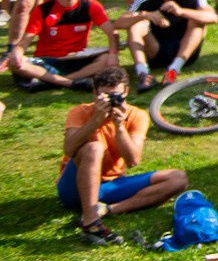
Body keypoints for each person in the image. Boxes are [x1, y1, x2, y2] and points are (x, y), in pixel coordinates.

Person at [57, 65, 188, 246]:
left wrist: (119, 126)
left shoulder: (136, 116)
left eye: (116, 96)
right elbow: (70, 149)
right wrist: (96, 119)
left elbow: (133, 160)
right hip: (74, 187)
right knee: (94, 148)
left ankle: (107, 210)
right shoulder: (81, 112)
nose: (111, 101)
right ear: (95, 93)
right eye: (105, 96)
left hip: (111, 186)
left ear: (125, 92)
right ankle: (90, 221)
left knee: (177, 178)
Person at [6, 0, 120, 89]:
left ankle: (52, 82)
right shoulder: (43, 9)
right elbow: (25, 41)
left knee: (106, 59)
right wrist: (18, 52)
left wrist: (113, 54)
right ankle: (71, 83)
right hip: (47, 61)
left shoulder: (91, 6)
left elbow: (112, 33)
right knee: (14, 63)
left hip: (76, 59)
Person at [117, 0, 215, 89]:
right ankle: (143, 74)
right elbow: (118, 23)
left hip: (185, 51)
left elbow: (213, 18)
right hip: (156, 50)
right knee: (136, 25)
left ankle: (173, 70)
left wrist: (181, 12)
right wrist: (145, 15)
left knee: (197, 22)